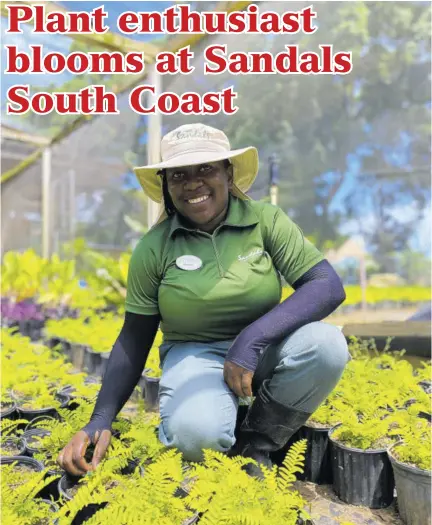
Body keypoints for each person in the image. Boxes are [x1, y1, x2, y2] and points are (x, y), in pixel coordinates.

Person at [57, 123, 350, 479]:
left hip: (263, 350)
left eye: (206, 169)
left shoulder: (265, 221)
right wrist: (100, 419)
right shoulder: (154, 247)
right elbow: (134, 337)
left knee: (327, 346)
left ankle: (256, 442)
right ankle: (214, 416)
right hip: (196, 354)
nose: (193, 182)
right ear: (166, 185)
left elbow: (326, 285)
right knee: (196, 437)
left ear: (228, 174)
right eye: (179, 174)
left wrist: (252, 339)